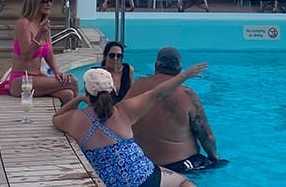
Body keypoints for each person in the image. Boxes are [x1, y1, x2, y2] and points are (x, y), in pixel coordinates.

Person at [53, 64, 208, 187]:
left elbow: (56, 117)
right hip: (144, 177)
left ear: (87, 91)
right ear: (112, 89)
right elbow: (158, 93)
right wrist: (184, 75)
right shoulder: (124, 111)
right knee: (183, 182)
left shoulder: (76, 119)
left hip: (109, 182)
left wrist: (78, 99)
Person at [126, 47, 226, 174]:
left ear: (156, 65)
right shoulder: (187, 95)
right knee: (221, 164)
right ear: (179, 68)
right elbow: (206, 136)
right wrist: (214, 157)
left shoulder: (137, 85)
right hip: (178, 166)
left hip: (141, 163)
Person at [0, 0, 78, 102]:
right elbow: (26, 55)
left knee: (67, 94)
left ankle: (65, 118)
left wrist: (57, 72)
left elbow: (49, 54)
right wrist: (39, 34)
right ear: (34, 3)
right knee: (73, 82)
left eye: (50, 0)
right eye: (44, 1)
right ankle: (85, 116)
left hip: (37, 77)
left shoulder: (44, 24)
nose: (49, 4)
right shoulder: (23, 24)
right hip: (22, 80)